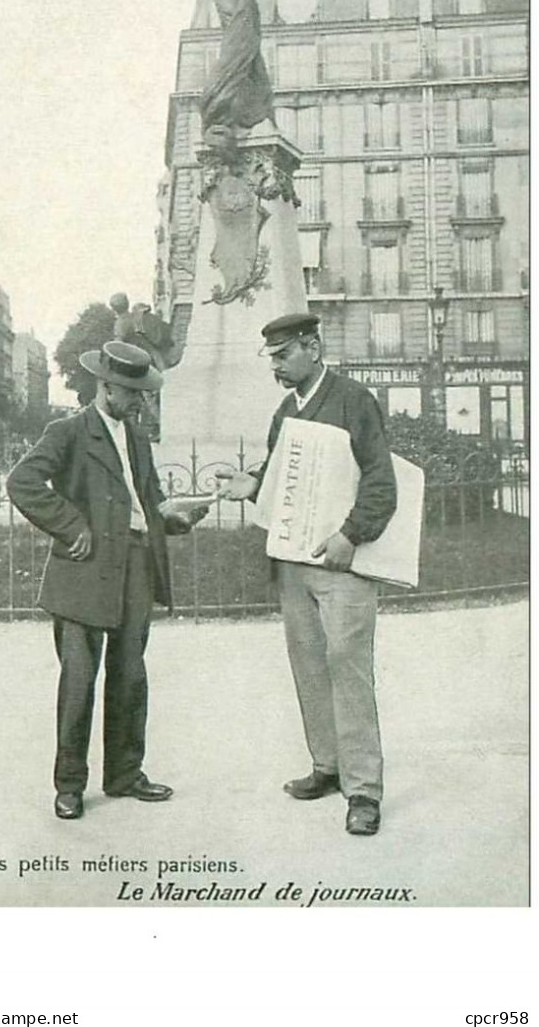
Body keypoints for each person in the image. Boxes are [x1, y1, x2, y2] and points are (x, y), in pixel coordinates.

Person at [6, 341, 207, 820]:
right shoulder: (69, 431)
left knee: (130, 674)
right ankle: (70, 786)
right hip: (83, 572)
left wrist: (172, 517)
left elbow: (148, 499)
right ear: (107, 386)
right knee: (79, 679)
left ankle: (123, 775)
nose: (140, 401)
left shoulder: (137, 436)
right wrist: (72, 525)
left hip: (135, 565)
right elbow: (22, 482)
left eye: (143, 392)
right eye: (133, 392)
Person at [217, 314, 397, 836]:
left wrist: (351, 535)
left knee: (348, 667)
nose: (275, 365)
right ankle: (328, 765)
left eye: (283, 355)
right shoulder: (284, 412)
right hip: (293, 564)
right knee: (309, 665)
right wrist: (249, 484)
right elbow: (281, 483)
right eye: (271, 356)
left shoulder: (353, 400)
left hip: (341, 562)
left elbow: (382, 482)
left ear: (313, 347)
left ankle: (363, 790)